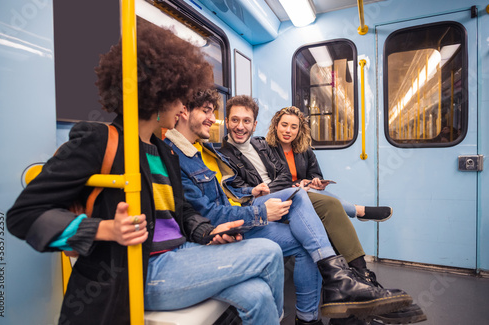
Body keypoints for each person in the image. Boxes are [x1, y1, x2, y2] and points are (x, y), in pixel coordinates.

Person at [6, 18, 285, 325]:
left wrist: (207, 231)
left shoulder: (164, 150)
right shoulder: (100, 140)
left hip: (180, 256)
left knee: (257, 294)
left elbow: (179, 212)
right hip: (138, 273)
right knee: (268, 251)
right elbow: (24, 214)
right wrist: (106, 229)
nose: (182, 110)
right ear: (158, 96)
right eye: (179, 100)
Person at [164, 89, 412, 325]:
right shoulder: (197, 153)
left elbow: (232, 188)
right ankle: (350, 273)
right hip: (237, 217)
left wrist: (254, 190)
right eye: (209, 113)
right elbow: (210, 211)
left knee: (306, 224)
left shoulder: (207, 149)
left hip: (253, 202)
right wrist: (260, 207)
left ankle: (310, 316)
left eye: (247, 121)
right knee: (305, 198)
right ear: (184, 111)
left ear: (255, 124)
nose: (212, 120)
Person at [265, 106, 392, 222]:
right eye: (284, 125)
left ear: (299, 130)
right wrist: (297, 184)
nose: (288, 131)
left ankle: (357, 211)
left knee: (322, 200)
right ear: (276, 126)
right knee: (325, 201)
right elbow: (267, 182)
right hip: (281, 196)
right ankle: (358, 210)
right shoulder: (265, 150)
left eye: (294, 127)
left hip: (306, 193)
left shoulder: (304, 150)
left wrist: (315, 181)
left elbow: (315, 174)